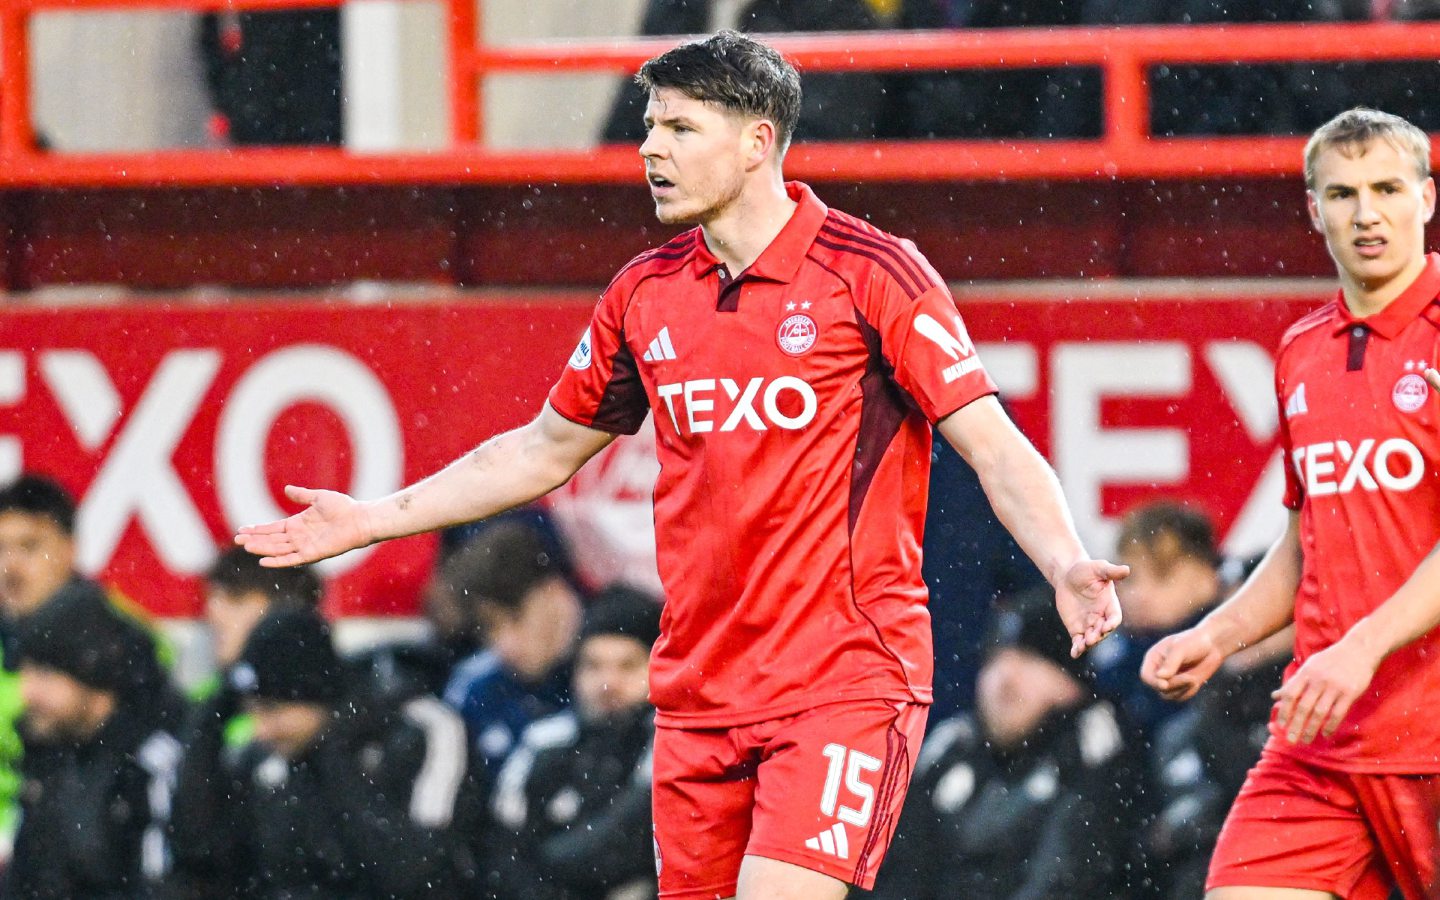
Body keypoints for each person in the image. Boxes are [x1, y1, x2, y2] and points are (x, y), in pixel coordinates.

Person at [237, 30, 1126, 899]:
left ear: (757, 143)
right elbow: (544, 448)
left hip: (843, 680)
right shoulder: (644, 292)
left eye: (679, 129)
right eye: (649, 128)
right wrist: (372, 518)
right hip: (697, 692)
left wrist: (1063, 561)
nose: (649, 150)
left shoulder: (874, 275)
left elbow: (994, 446)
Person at [1142, 107, 1440, 899]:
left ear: (1427, 199)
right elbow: (1310, 537)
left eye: (1386, 188)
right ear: (1314, 209)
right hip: (1321, 741)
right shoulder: (1301, 350)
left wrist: (1362, 647)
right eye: (1341, 193)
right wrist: (1219, 632)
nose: (1366, 213)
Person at [184, 606, 483, 898]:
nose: (261, 730)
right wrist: (209, 722)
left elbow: (419, 874)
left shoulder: (416, 735)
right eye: (252, 712)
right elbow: (201, 854)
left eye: (273, 710)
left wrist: (333, 759)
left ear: (317, 696)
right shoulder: (267, 758)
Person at [869, 587, 1146, 899]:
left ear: (1072, 683)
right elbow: (895, 875)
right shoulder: (952, 746)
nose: (1005, 677)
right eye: (996, 658)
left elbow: (1069, 877)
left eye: (1028, 659)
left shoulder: (1098, 749)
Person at [5, 582, 186, 899]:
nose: (27, 692)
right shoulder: (52, 754)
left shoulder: (153, 761)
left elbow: (166, 884)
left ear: (94, 674)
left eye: (45, 674)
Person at [487, 585, 663, 899]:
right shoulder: (544, 742)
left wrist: (554, 861)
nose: (608, 684)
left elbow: (629, 843)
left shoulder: (669, 742)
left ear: (658, 668)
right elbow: (503, 854)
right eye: (593, 666)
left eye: (627, 665)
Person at [167, 547, 324, 898]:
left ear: (286, 610)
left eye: (234, 600)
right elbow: (192, 837)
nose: (213, 614)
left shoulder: (329, 707)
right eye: (213, 600)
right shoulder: (206, 705)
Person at [441, 517, 585, 775]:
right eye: (489, 627)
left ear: (555, 593)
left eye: (516, 618)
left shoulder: (621, 667)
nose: (504, 644)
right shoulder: (475, 691)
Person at [1089, 501, 1226, 737]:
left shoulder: (1235, 650)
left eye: (1161, 576)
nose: (1139, 595)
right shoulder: (1109, 662)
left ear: (1207, 577)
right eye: (1129, 579)